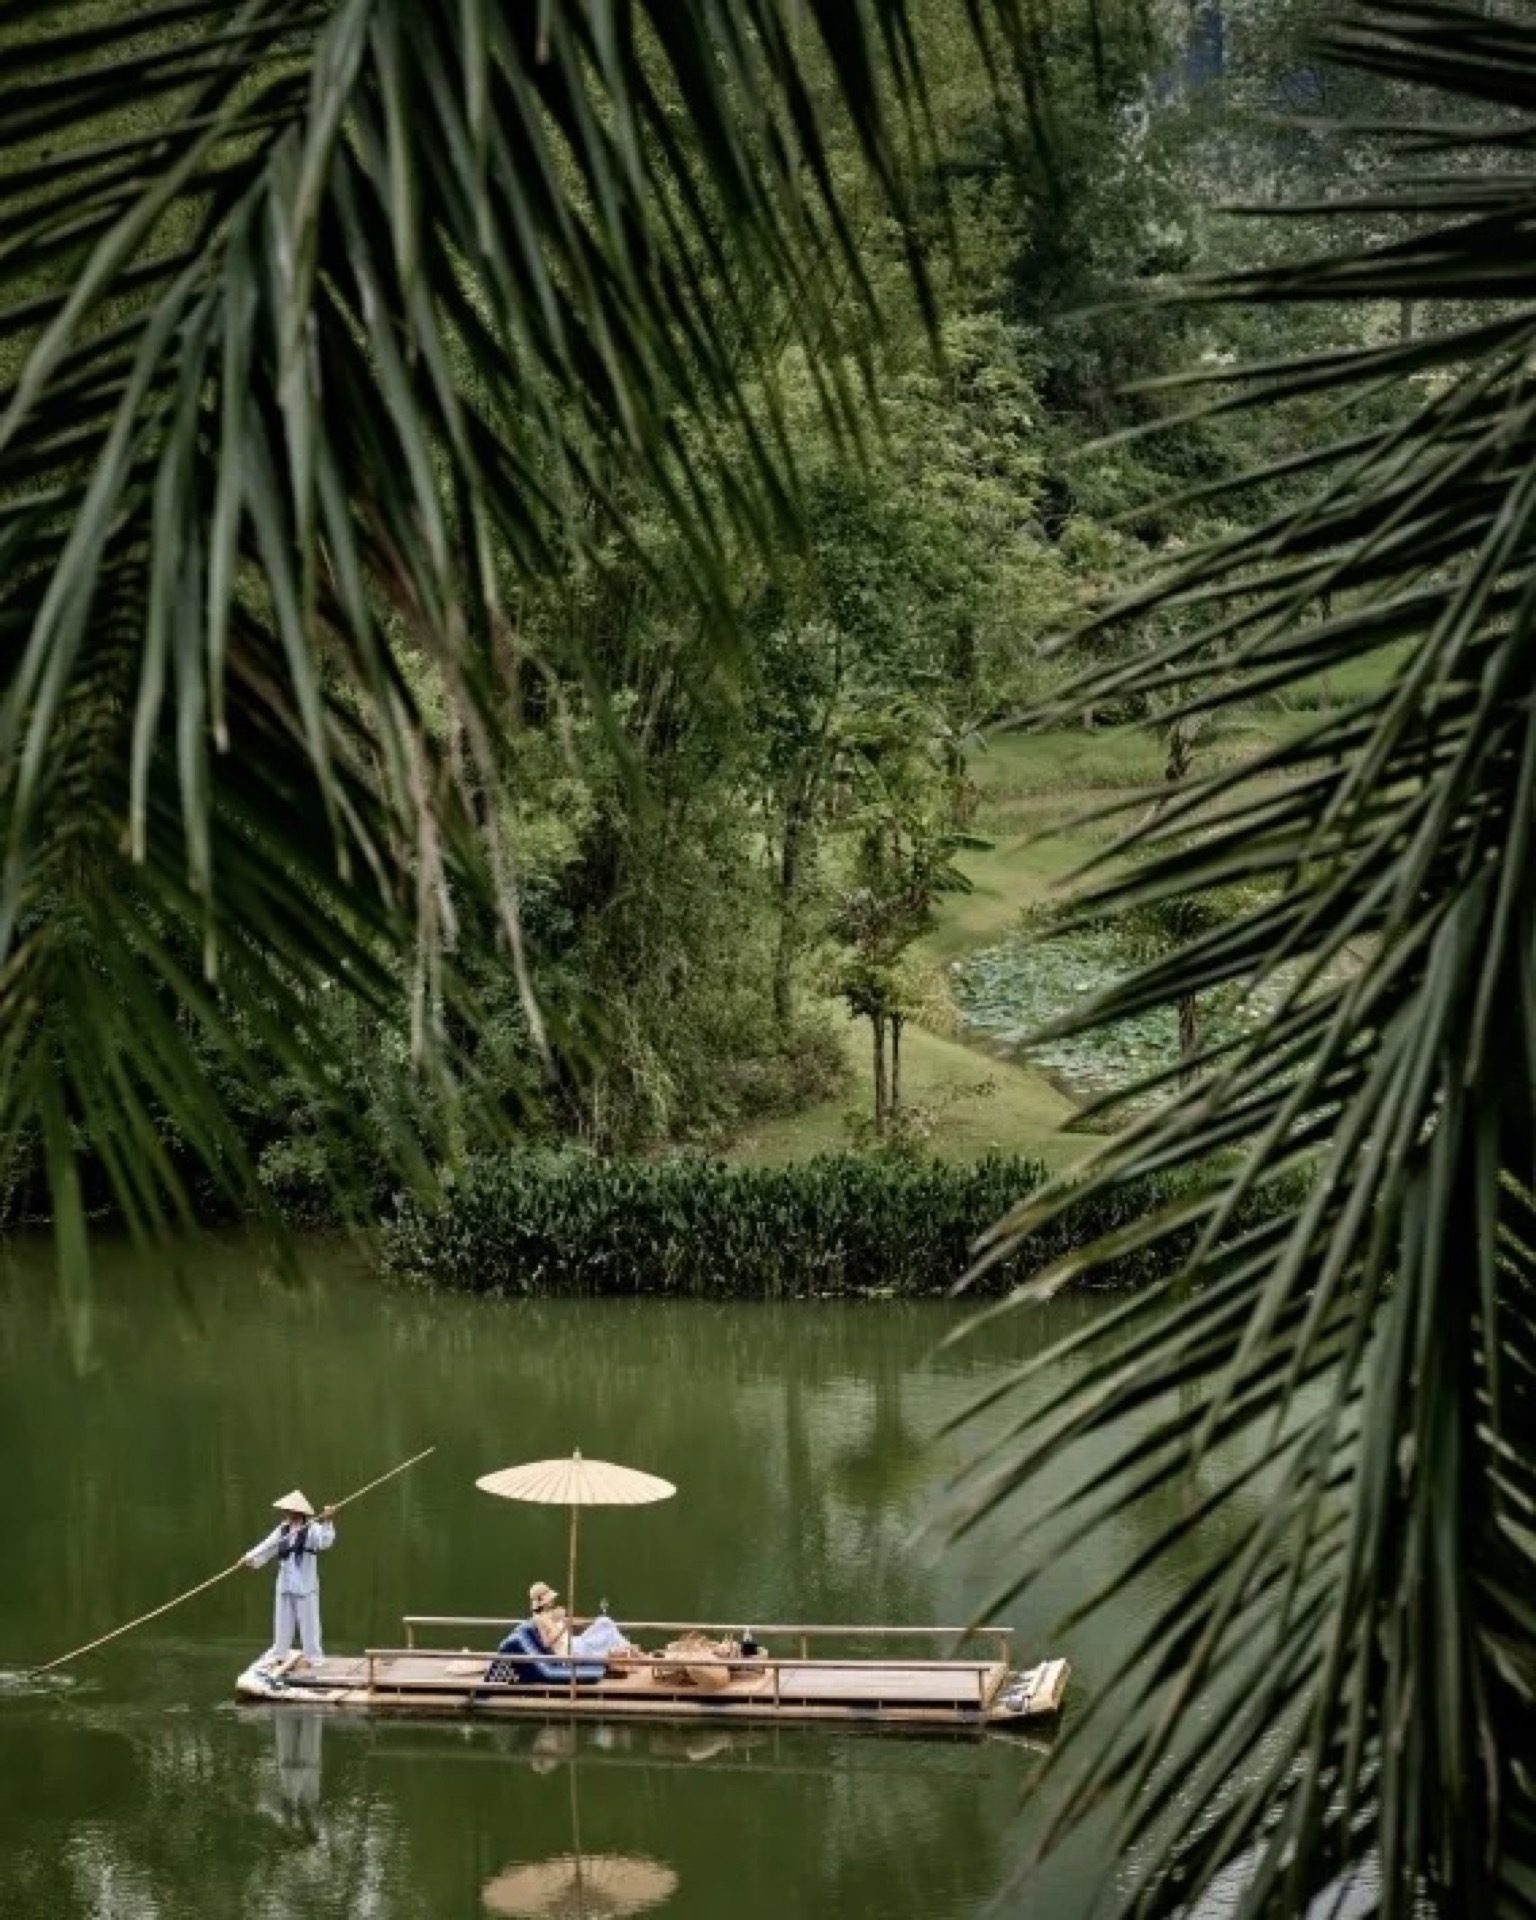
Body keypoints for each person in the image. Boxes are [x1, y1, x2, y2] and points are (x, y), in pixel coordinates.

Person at [245, 1490, 336, 1670]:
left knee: (309, 1624)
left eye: (291, 1511)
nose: (288, 1514)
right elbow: (266, 1547)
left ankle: (314, 1657)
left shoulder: (312, 1529)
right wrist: (250, 1558)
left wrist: (327, 1520)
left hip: (306, 1586)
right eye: (287, 1511)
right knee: (282, 1623)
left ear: (299, 1512)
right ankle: (279, 1653)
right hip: (285, 1584)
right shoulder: (282, 1530)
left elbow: (325, 1541)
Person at [527, 1581, 634, 1659]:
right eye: (549, 1598)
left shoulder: (550, 1613)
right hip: (569, 1650)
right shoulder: (540, 1619)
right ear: (542, 1600)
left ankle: (630, 1649)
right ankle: (634, 1651)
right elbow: (546, 1643)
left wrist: (591, 1622)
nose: (552, 1599)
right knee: (607, 1634)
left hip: (575, 1642)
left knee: (604, 1621)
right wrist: (565, 1627)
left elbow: (569, 1621)